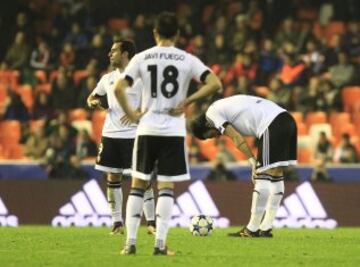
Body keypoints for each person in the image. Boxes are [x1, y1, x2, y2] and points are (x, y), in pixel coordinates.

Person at [114, 12, 221, 255]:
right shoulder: (187, 59)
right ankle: (159, 245)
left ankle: (129, 244)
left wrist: (131, 113)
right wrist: (189, 100)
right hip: (172, 132)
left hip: (147, 128)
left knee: (138, 185)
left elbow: (120, 86)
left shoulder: (142, 57)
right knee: (166, 188)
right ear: (178, 34)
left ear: (155, 33)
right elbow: (215, 84)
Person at [189, 95, 297, 238]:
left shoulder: (212, 114)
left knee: (262, 176)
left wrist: (252, 161)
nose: (215, 137)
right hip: (288, 120)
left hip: (271, 124)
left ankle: (251, 229)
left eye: (209, 135)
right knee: (276, 173)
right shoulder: (222, 105)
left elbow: (236, 138)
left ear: (206, 126)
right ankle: (266, 227)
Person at [87, 40, 156, 235]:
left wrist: (138, 113)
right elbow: (92, 97)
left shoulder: (142, 77)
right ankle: (117, 223)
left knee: (142, 178)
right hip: (110, 135)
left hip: (134, 135)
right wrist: (94, 102)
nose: (110, 54)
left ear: (125, 54)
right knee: (113, 176)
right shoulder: (107, 78)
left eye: (114, 51)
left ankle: (151, 222)